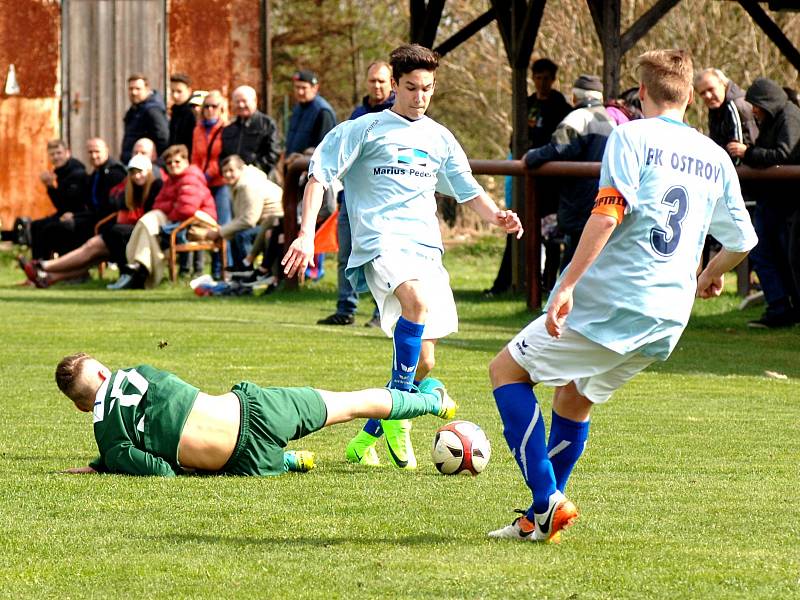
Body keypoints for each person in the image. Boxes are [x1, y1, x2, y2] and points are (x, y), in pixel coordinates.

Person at [486, 49, 757, 543]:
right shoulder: (715, 155)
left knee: (506, 371)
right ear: (691, 97)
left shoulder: (630, 135)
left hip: (615, 300)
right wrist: (710, 274)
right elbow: (742, 240)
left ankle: (547, 499)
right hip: (669, 316)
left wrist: (565, 283)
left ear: (641, 93)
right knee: (573, 398)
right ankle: (535, 521)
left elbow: (607, 215)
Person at [282, 44, 523, 469]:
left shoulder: (439, 137)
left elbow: (467, 189)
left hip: (426, 249)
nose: (420, 97)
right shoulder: (364, 128)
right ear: (394, 85)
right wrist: (304, 235)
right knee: (416, 303)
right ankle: (399, 415)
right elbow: (319, 174)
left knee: (423, 363)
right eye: (411, 88)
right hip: (381, 243)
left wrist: (497, 216)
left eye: (427, 88)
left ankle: (369, 434)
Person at [55, 353, 456, 477]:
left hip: (243, 461)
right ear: (105, 371)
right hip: (257, 409)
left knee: (202, 461)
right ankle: (432, 402)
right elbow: (175, 395)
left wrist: (106, 462)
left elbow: (157, 469)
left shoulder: (109, 440)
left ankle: (287, 461)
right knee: (350, 404)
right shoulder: (139, 373)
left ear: (79, 405)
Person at [317, 60, 395, 327]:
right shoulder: (358, 113)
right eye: (372, 80)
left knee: (378, 256)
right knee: (345, 255)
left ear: (391, 83)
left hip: (378, 200)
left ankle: (380, 312)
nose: (376, 86)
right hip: (350, 196)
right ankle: (345, 309)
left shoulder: (396, 115)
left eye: (381, 81)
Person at [486, 57, 573, 296]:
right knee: (518, 228)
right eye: (538, 78)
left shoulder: (562, 107)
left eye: (547, 78)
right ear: (532, 79)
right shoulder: (527, 104)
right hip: (526, 181)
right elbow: (515, 137)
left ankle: (549, 285)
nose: (542, 83)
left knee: (552, 234)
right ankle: (508, 283)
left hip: (552, 183)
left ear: (554, 79)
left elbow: (563, 144)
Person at [19, 154, 163, 288]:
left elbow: (144, 218)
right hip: (125, 234)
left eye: (140, 172)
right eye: (133, 172)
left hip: (138, 236)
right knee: (92, 253)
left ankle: (43, 266)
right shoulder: (129, 191)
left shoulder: (155, 187)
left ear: (149, 171)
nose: (137, 176)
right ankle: (49, 277)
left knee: (91, 246)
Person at [727, 78, 800, 328]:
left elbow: (784, 154)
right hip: (774, 200)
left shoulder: (789, 117)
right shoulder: (773, 119)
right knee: (766, 253)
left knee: (785, 256)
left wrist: (747, 153)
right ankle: (780, 307)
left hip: (787, 201)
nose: (753, 111)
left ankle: (785, 308)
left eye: (755, 106)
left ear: (766, 102)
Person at [524, 75, 617, 270]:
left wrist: (531, 157)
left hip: (578, 201)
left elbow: (558, 148)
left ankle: (563, 298)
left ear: (575, 97)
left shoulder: (579, 118)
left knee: (572, 259)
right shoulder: (610, 121)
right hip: (603, 200)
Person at [109, 144, 217, 290]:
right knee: (147, 223)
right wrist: (172, 206)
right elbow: (158, 205)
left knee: (148, 222)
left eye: (177, 161)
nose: (173, 165)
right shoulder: (171, 181)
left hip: (198, 224)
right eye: (169, 162)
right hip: (177, 221)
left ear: (186, 162)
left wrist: (169, 210)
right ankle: (140, 267)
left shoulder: (190, 178)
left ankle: (139, 268)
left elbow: (186, 209)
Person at [34, 138, 127, 260]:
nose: (93, 156)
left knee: (62, 227)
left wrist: (76, 216)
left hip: (106, 222)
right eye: (90, 152)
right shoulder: (96, 173)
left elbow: (108, 208)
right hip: (91, 217)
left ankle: (70, 270)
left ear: (106, 151)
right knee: (41, 226)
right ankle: (39, 267)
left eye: (97, 151)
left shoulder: (114, 173)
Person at [203, 155, 283, 271]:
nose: (227, 174)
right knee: (235, 234)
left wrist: (220, 232)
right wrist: (223, 232)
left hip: (276, 223)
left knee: (242, 235)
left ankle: (247, 270)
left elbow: (249, 220)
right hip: (263, 222)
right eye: (225, 171)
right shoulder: (237, 184)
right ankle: (239, 271)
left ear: (241, 169)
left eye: (231, 170)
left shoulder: (248, 185)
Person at [191, 90, 233, 278]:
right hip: (203, 183)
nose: (209, 110)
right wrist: (197, 177)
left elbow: (223, 157)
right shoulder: (198, 129)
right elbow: (195, 157)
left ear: (221, 108)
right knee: (203, 223)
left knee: (223, 224)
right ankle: (204, 269)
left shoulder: (226, 129)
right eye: (206, 106)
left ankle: (225, 269)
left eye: (214, 106)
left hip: (220, 182)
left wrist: (208, 174)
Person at [29, 140, 88, 260]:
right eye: (52, 154)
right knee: (36, 225)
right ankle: (38, 265)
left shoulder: (77, 172)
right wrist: (50, 187)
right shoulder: (60, 172)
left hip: (81, 215)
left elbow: (70, 204)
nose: (55, 157)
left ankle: (47, 265)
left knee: (49, 228)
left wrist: (51, 187)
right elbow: (62, 205)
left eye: (59, 153)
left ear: (67, 153)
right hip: (66, 212)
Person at [219, 85, 281, 177]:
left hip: (260, 179)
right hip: (232, 180)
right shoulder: (229, 129)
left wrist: (251, 171)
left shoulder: (267, 124)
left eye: (244, 101)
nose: (241, 105)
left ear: (255, 101)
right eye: (237, 102)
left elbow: (273, 153)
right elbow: (223, 155)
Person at [694, 68, 758, 155]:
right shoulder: (715, 107)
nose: (707, 96)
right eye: (702, 93)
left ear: (723, 84)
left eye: (711, 89)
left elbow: (737, 150)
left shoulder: (736, 105)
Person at [284, 70, 337, 156]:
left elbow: (324, 149)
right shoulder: (298, 108)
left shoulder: (323, 112)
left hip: (309, 167)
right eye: (297, 87)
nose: (300, 92)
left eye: (304, 88)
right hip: (291, 165)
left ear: (315, 88)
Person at [120, 73, 169, 164]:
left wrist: (157, 164)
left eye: (138, 89)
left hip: (145, 165)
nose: (134, 92)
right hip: (132, 162)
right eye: (131, 89)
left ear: (147, 89)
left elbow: (163, 139)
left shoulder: (153, 111)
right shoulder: (134, 110)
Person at [168, 73, 197, 154]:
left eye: (179, 91)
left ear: (189, 91)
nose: (175, 95)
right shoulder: (175, 110)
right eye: (172, 91)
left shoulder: (192, 112)